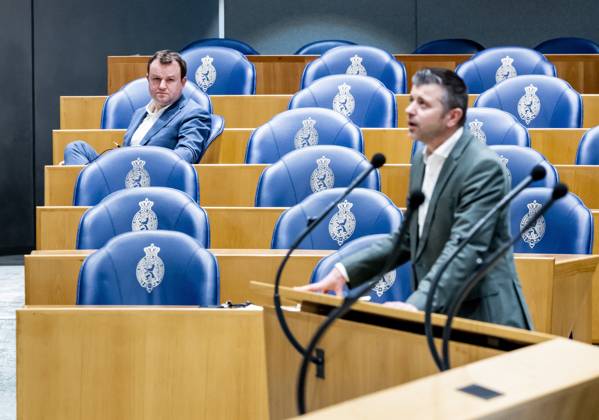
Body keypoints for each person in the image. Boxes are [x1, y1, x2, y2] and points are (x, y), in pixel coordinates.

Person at [300, 68, 532, 329]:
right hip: (439, 312)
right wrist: (344, 272)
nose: (410, 110)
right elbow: (408, 239)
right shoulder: (422, 159)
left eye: (423, 104)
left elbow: (465, 248)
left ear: (452, 116)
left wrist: (416, 304)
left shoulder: (482, 168)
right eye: (412, 100)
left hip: (484, 316)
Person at [63, 50, 211, 164]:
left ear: (183, 82)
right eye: (156, 79)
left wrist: (140, 159)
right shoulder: (139, 113)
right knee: (76, 148)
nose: (162, 86)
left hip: (151, 178)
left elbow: (187, 154)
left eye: (170, 80)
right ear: (148, 79)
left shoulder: (194, 113)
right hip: (124, 171)